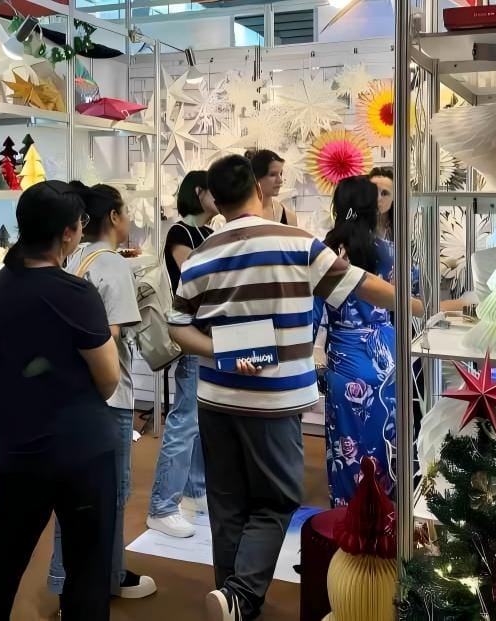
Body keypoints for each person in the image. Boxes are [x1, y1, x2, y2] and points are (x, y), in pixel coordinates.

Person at [168, 155, 416, 621]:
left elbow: (177, 327)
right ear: (259, 192)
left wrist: (221, 352)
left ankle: (233, 599)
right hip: (276, 398)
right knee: (279, 497)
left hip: (215, 397)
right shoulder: (297, 243)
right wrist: (420, 303)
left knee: (227, 503)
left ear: (215, 201)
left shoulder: (202, 253)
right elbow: (361, 286)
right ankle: (240, 595)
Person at [0, 181, 120, 621]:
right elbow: (109, 380)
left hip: (18, 450)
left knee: (1, 565)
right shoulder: (76, 294)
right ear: (70, 234)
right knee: (87, 573)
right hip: (82, 453)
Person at [317, 176, 468, 506]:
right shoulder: (386, 252)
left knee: (346, 447)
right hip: (389, 353)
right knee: (389, 439)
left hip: (347, 357)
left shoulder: (325, 253)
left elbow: (313, 315)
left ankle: (349, 522)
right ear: (372, 210)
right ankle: (388, 520)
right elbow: (418, 296)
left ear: (338, 207)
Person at [47, 181, 156, 601]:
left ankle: (102, 575)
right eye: (124, 210)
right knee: (110, 492)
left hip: (71, 395)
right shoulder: (111, 264)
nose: (128, 218)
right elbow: (108, 335)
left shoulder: (72, 257)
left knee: (78, 492)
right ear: (112, 216)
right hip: (108, 396)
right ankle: (82, 583)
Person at [146, 171, 216, 539]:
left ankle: (195, 490)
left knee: (199, 418)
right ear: (199, 192)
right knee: (184, 420)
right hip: (191, 333)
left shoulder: (207, 232)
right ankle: (162, 505)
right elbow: (197, 278)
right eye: (213, 192)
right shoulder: (181, 232)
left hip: (205, 332)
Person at [246, 149, 298, 227]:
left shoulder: (289, 217)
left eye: (280, 173)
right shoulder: (237, 214)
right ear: (256, 177)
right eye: (273, 174)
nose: (280, 180)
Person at [368, 166, 395, 239]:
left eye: (384, 193)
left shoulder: (402, 226)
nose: (378, 198)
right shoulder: (353, 226)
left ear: (393, 197)